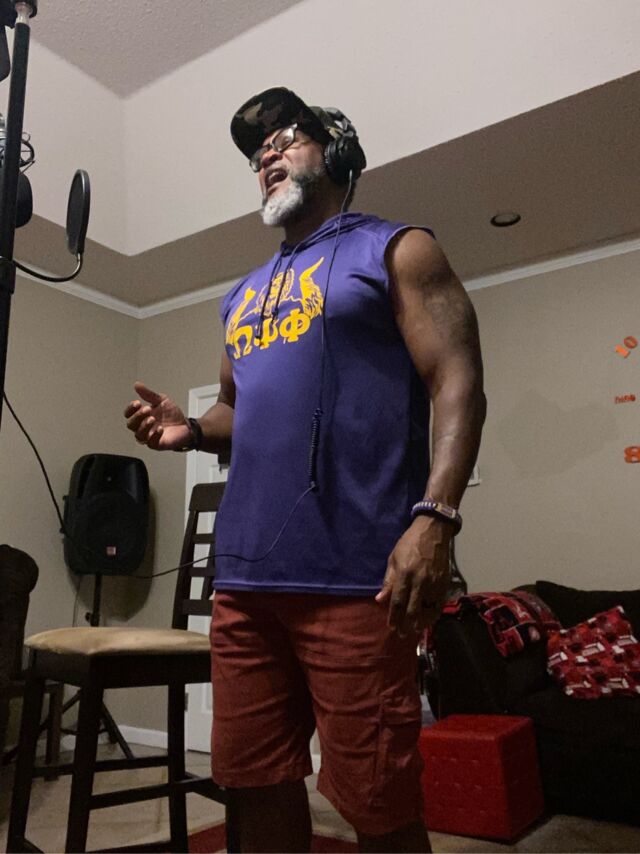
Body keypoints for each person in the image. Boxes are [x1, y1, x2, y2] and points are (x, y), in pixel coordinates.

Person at [124, 87, 486, 853]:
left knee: (379, 803)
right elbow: (237, 408)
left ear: (338, 152)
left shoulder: (398, 249)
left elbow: (456, 378)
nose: (267, 155)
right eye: (258, 152)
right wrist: (190, 431)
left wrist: (437, 518)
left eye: (287, 137)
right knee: (253, 783)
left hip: (359, 579)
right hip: (245, 581)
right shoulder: (240, 297)